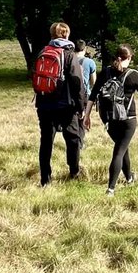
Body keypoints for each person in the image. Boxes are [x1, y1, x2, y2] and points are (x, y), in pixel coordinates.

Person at [84, 45, 138, 196]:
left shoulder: (105, 73)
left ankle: (129, 178)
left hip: (109, 119)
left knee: (122, 148)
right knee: (119, 151)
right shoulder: (133, 75)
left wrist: (87, 115)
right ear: (129, 58)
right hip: (127, 119)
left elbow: (92, 95)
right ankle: (111, 189)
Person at [33, 21, 88, 186]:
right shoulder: (69, 54)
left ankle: (45, 178)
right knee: (72, 139)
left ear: (51, 35)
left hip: (44, 104)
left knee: (46, 140)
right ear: (66, 35)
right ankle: (74, 172)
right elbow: (77, 82)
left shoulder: (42, 52)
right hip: (66, 105)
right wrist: (81, 106)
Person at [75, 39, 97, 152]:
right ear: (85, 49)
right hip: (85, 95)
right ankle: (80, 144)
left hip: (70, 95)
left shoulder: (69, 60)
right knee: (82, 119)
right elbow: (94, 81)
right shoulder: (89, 62)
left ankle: (73, 142)